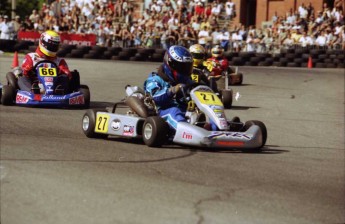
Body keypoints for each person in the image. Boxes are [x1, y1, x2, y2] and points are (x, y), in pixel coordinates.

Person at [143, 45, 194, 131]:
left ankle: (217, 130)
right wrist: (172, 90)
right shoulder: (155, 79)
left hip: (186, 110)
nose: (185, 71)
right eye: (182, 67)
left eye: (187, 67)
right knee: (175, 112)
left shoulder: (188, 81)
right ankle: (186, 132)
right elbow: (154, 97)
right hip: (163, 111)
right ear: (170, 64)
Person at [18, 30, 74, 94]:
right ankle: (31, 92)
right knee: (21, 79)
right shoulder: (31, 57)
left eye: (55, 45)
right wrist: (28, 69)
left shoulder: (59, 61)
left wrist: (62, 71)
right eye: (51, 45)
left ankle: (59, 91)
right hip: (35, 85)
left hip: (55, 86)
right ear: (43, 43)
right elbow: (24, 72)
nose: (53, 47)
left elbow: (68, 74)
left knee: (64, 78)